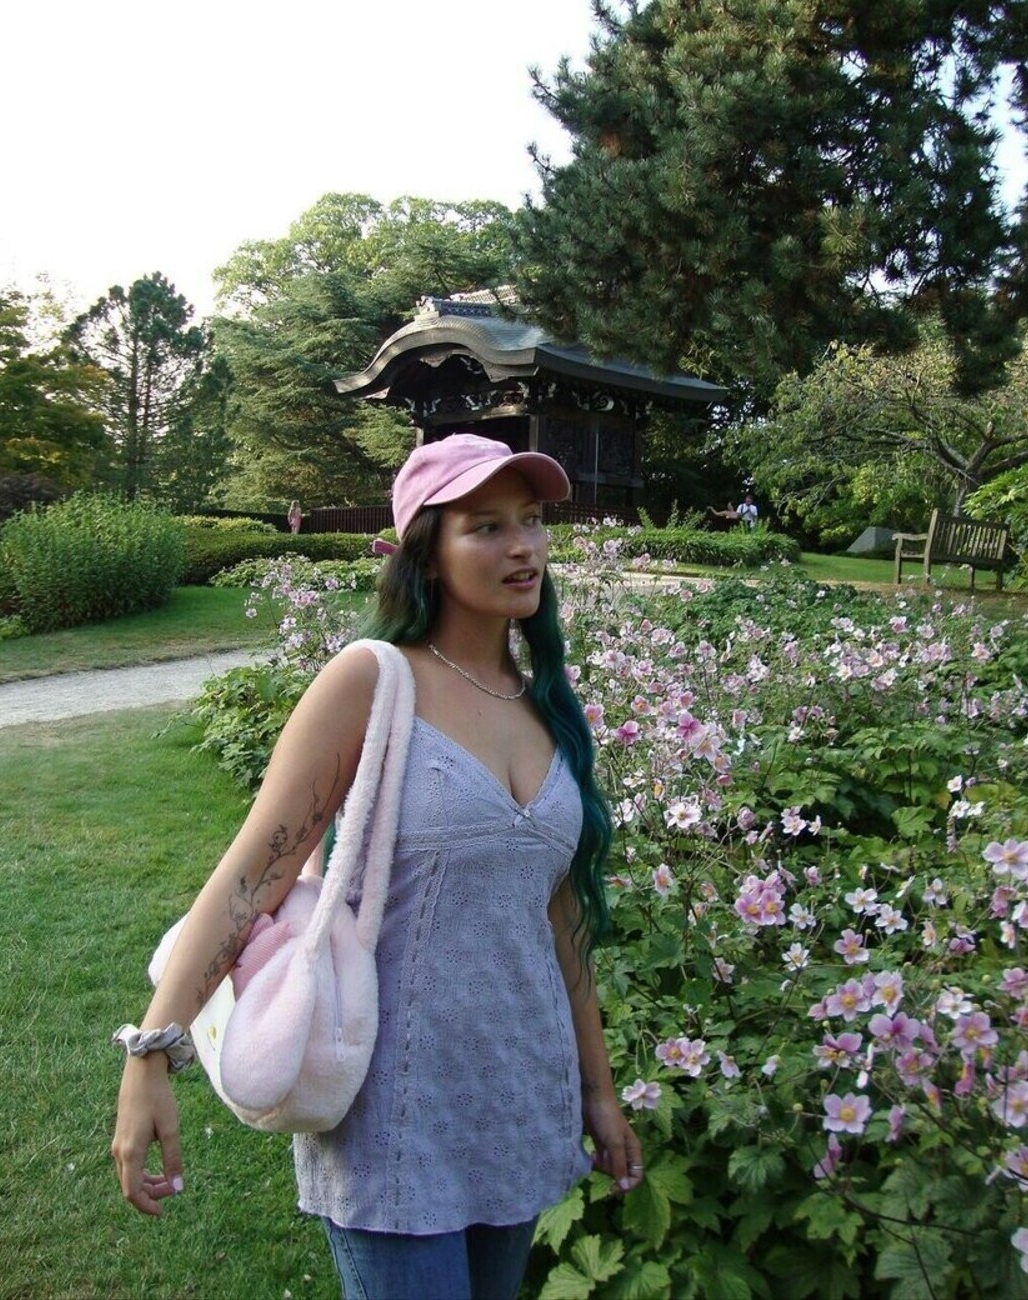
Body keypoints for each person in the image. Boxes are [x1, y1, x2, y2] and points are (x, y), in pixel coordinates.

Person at [111, 433, 643, 1300]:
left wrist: (599, 1090)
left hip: (516, 1095)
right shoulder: (372, 681)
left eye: (532, 521)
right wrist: (151, 1054)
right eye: (486, 526)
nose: (523, 547)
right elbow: (252, 877)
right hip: (392, 1111)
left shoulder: (544, 700)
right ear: (425, 552)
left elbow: (561, 920)